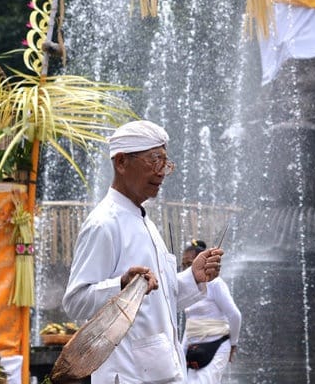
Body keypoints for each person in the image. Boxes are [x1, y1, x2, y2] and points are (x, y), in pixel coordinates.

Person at [63, 120, 225, 384]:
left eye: (165, 162)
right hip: (127, 374)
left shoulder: (144, 221)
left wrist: (193, 277)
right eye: (154, 160)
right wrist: (120, 286)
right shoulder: (104, 223)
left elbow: (160, 300)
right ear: (122, 162)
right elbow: (75, 301)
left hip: (160, 371)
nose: (162, 172)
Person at [180, 239, 241, 384]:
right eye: (184, 265)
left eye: (190, 264)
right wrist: (181, 353)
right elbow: (190, 322)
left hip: (217, 344)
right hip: (193, 346)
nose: (186, 269)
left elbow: (235, 315)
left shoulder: (215, 283)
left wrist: (233, 343)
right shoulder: (185, 286)